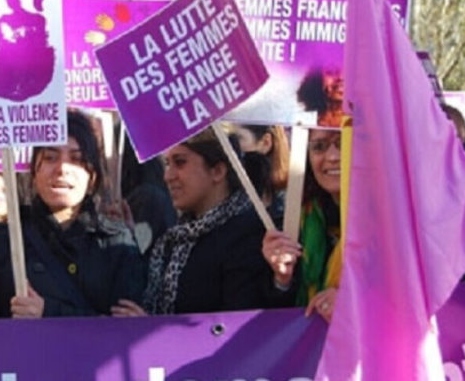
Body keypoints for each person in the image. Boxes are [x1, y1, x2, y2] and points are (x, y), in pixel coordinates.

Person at [0, 110, 145, 318]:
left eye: (76, 159)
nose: (62, 169)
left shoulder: (117, 242)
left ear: (92, 177)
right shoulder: (3, 239)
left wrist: (49, 312)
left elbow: (123, 332)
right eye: (50, 157)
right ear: (34, 172)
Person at [112, 129, 271, 316]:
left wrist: (152, 331)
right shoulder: (178, 236)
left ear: (218, 171)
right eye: (167, 164)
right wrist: (127, 237)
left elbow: (233, 327)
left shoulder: (249, 235)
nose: (168, 176)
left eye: (180, 162)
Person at [261, 129, 342, 322]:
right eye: (319, 147)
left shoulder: (393, 222)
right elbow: (279, 324)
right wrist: (282, 280)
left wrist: (355, 303)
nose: (332, 157)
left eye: (343, 144)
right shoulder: (297, 220)